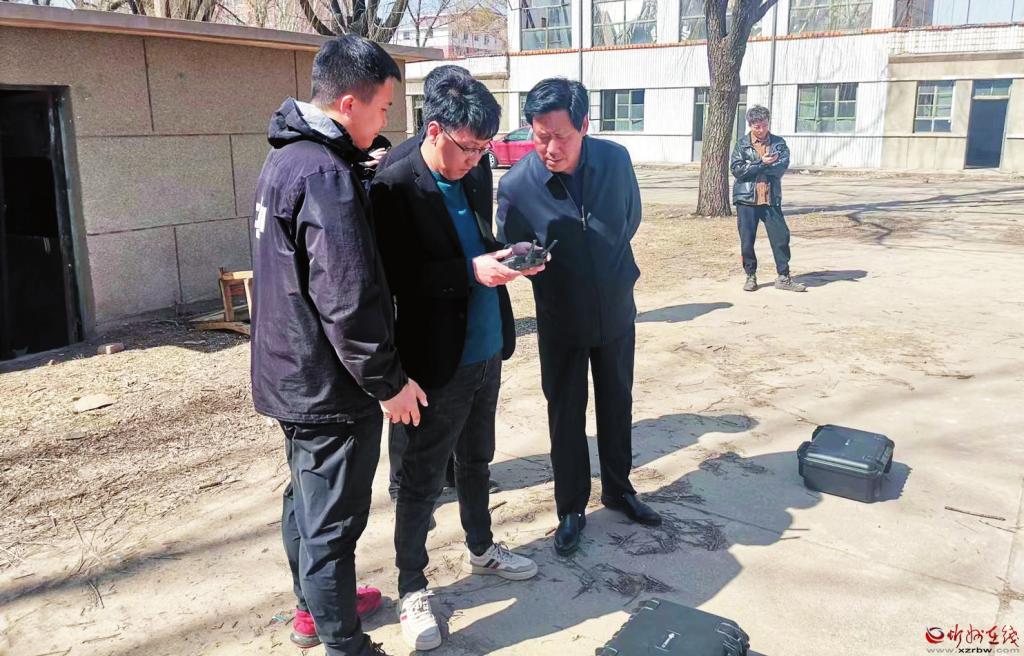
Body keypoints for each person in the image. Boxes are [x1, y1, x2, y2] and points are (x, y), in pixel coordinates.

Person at [250, 35, 427, 656]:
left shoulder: (289, 158)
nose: (386, 123)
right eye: (383, 109)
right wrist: (388, 382)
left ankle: (313, 609)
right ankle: (343, 642)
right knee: (333, 522)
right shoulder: (324, 174)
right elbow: (346, 298)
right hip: (327, 385)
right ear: (349, 103)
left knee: (306, 501)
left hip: (289, 373)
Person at [370, 72, 540, 651]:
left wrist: (508, 257)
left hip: (486, 345)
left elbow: (477, 240)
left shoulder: (475, 169)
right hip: (434, 359)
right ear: (434, 129)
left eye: (484, 149)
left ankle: (482, 548)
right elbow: (395, 278)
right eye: (468, 148)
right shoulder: (395, 184)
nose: (475, 161)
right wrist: (470, 271)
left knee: (477, 460)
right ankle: (411, 586)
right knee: (419, 481)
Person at [496, 78, 661, 559]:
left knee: (618, 401)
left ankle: (619, 488)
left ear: (585, 124)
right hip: (561, 316)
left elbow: (630, 218)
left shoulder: (614, 161)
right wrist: (527, 261)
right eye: (540, 136)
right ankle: (570, 507)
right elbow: (511, 244)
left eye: (561, 136)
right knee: (565, 412)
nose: (550, 148)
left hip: (615, 307)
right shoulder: (517, 184)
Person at [731, 105, 806, 292]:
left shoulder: (778, 143)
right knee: (747, 240)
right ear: (750, 125)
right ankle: (750, 275)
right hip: (746, 200)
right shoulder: (742, 144)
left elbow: (780, 167)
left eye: (764, 125)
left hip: (770, 198)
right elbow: (737, 170)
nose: (762, 130)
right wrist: (761, 163)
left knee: (781, 237)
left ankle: (783, 276)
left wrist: (755, 166)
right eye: (757, 127)